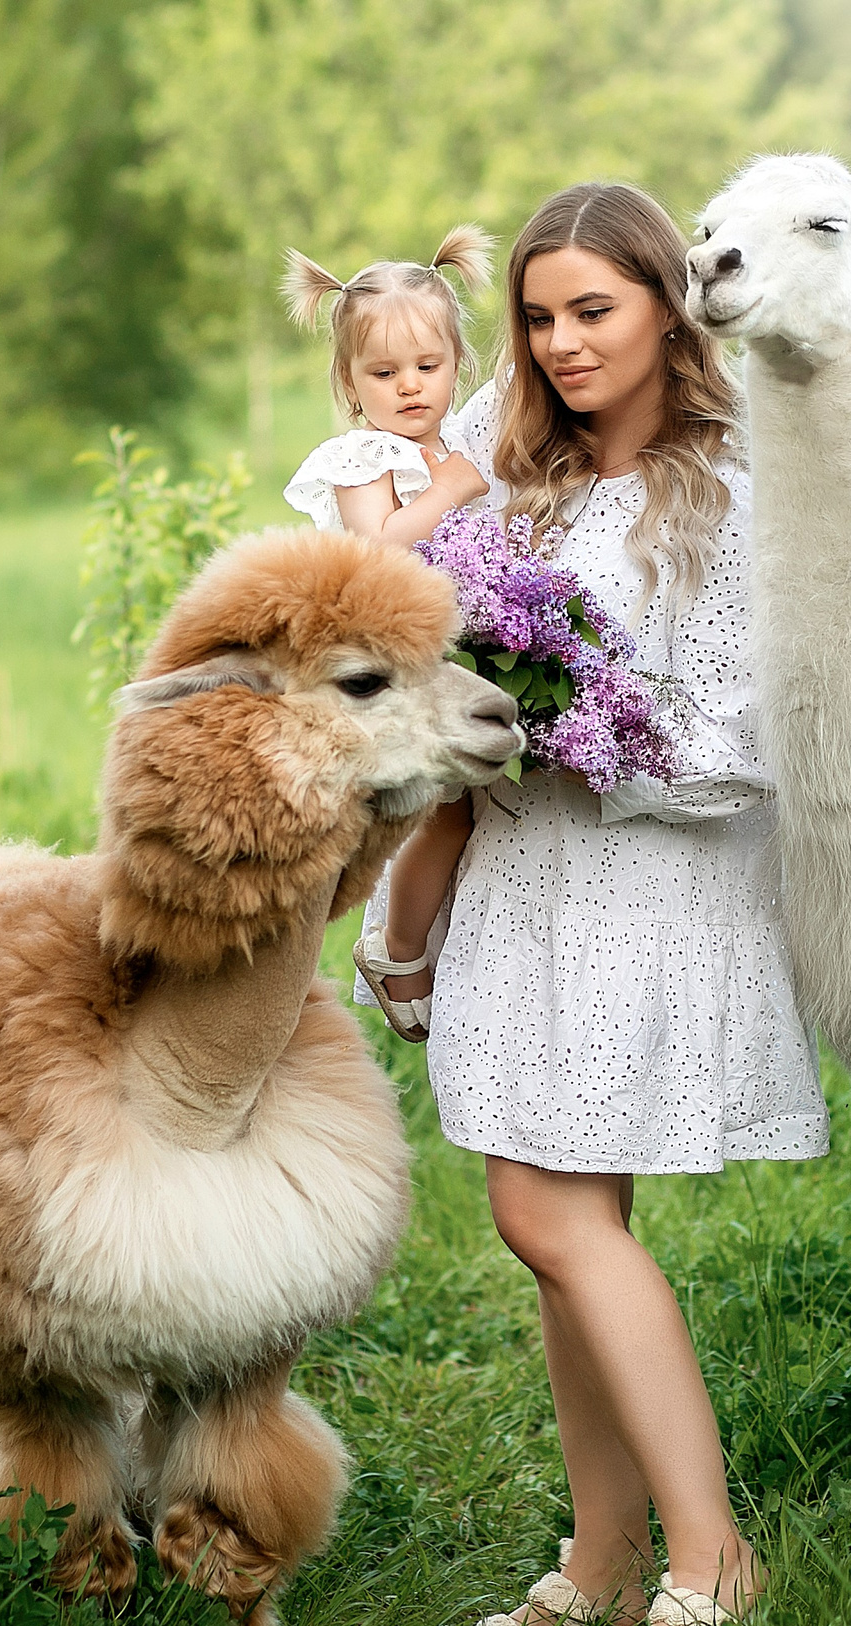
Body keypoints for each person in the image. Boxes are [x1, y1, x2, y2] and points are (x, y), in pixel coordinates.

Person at [377, 182, 827, 1626]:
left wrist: (584, 729)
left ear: (665, 306)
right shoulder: (516, 479)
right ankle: (602, 1557)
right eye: (538, 317)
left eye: (594, 309)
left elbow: (752, 738)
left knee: (548, 1215)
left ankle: (715, 1559)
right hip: (527, 884)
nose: (562, 343)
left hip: (651, 886)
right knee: (565, 1227)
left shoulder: (736, 493)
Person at [281, 226, 495, 1037]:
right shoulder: (365, 458)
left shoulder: (461, 444)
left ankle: (450, 941)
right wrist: (447, 493)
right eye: (383, 372)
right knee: (443, 808)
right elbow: (377, 548)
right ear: (350, 381)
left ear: (457, 364)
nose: (409, 387)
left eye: (427, 367)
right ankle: (397, 947)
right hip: (392, 667)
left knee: (481, 809)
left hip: (462, 650)